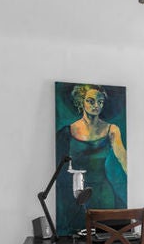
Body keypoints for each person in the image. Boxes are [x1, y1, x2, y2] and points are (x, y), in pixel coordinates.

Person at [55, 84, 128, 234]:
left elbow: (122, 158)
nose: (96, 105)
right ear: (81, 101)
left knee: (105, 238)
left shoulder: (112, 130)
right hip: (77, 195)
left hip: (103, 193)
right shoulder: (67, 132)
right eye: (91, 101)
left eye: (100, 102)